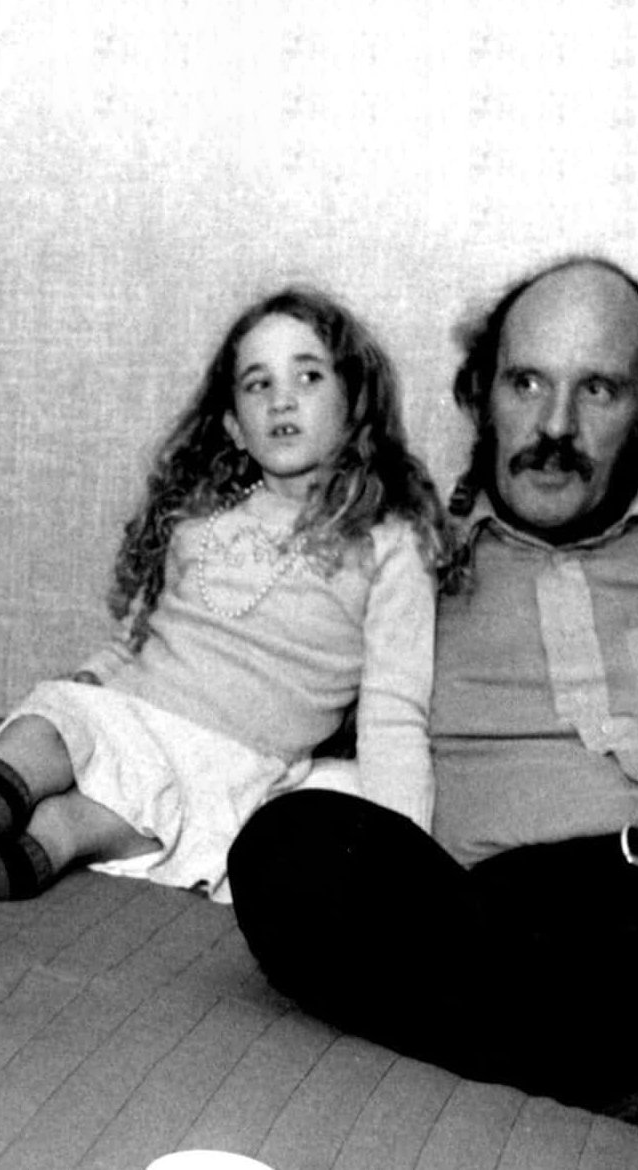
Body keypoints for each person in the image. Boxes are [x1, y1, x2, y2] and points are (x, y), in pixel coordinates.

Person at [0, 286, 451, 931]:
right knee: (51, 728)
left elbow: (394, 713)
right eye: (257, 383)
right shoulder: (200, 519)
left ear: (355, 400)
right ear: (234, 427)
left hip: (227, 772)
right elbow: (131, 650)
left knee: (65, 828)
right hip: (136, 717)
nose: (281, 400)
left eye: (308, 376)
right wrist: (6, 741)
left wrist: (403, 866)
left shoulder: (389, 543)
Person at [227, 255, 638, 1117]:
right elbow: (239, 673)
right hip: (496, 922)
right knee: (288, 850)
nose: (555, 423)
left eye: (599, 390)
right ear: (481, 394)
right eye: (526, 382)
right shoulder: (405, 562)